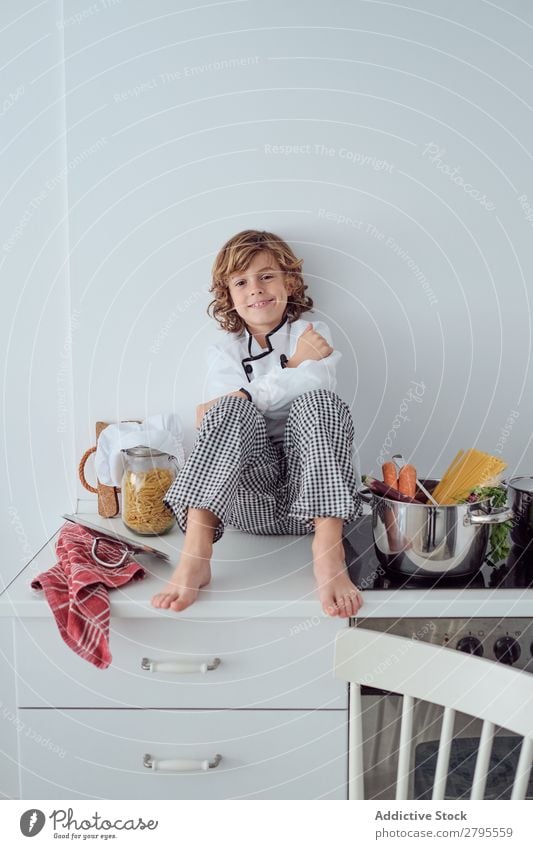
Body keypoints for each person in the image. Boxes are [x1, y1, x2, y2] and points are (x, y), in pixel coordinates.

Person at [151, 229, 363, 617]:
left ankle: (328, 551)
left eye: (267, 276)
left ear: (290, 282)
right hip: (247, 503)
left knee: (319, 402)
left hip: (313, 504)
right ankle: (197, 551)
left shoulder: (313, 334)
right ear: (228, 295)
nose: (256, 289)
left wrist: (250, 392)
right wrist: (293, 365)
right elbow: (223, 412)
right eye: (241, 281)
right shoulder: (224, 353)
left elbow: (317, 382)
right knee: (230, 412)